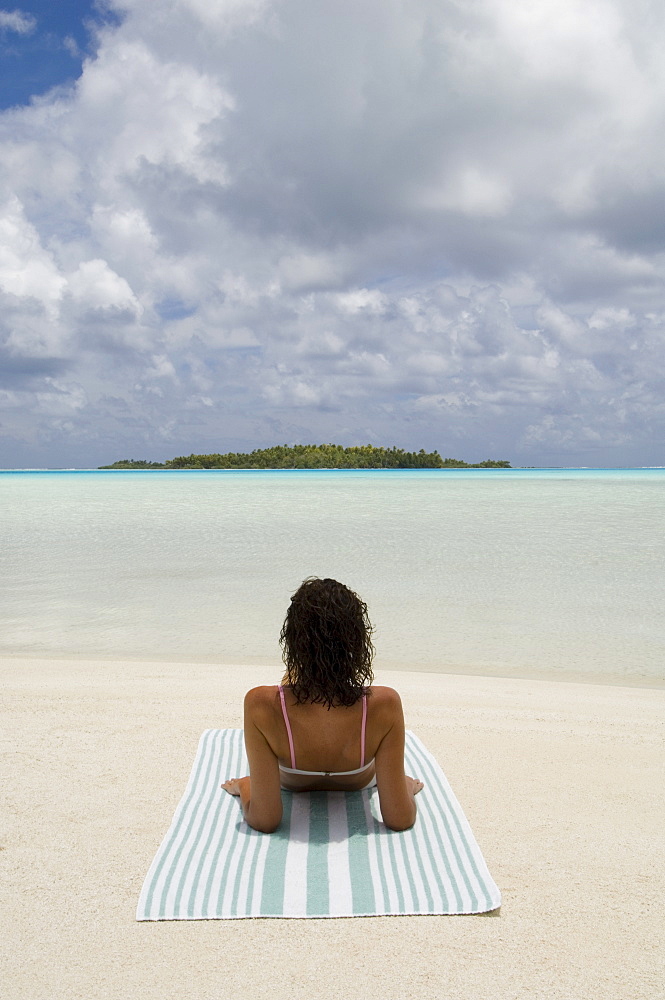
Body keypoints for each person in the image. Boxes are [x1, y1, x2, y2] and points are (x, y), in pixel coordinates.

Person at [222, 577, 424, 833]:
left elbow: (265, 820)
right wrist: (404, 787)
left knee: (295, 688)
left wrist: (246, 786)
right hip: (358, 782)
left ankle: (306, 656)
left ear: (291, 639)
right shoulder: (384, 704)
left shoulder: (260, 703)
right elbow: (400, 820)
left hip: (291, 782)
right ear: (358, 642)